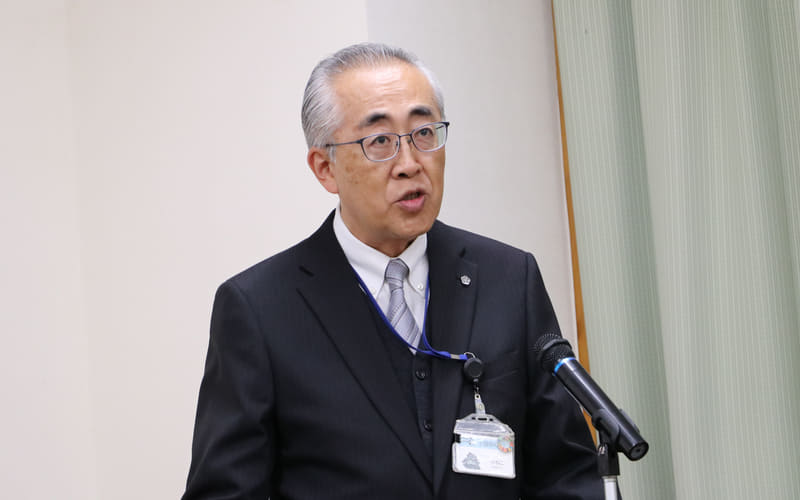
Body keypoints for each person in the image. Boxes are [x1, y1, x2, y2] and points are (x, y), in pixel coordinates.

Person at [182, 42, 603, 499]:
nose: (409, 164)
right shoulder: (260, 309)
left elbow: (567, 475)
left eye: (424, 133)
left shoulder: (508, 278)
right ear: (325, 168)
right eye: (380, 141)